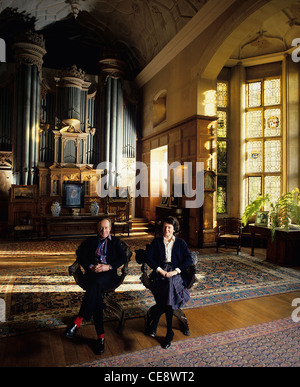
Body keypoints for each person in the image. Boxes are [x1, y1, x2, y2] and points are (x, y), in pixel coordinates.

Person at [64, 217, 127, 355]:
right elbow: (79, 253)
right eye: (101, 228)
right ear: (97, 229)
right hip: (93, 275)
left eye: (106, 228)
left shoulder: (115, 242)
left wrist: (108, 266)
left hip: (109, 275)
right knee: (96, 293)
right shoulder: (91, 241)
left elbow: (124, 258)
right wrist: (91, 266)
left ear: (110, 229)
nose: (103, 230)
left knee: (95, 285)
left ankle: (78, 321)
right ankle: (101, 338)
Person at [145, 216, 193, 349]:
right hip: (160, 273)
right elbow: (148, 257)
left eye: (169, 228)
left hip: (175, 273)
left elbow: (189, 259)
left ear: (174, 229)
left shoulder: (181, 243)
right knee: (168, 288)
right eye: (165, 227)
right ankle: (168, 332)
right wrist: (160, 270)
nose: (167, 230)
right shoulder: (156, 242)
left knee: (169, 284)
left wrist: (176, 271)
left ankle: (158, 327)